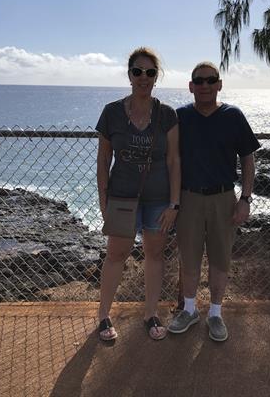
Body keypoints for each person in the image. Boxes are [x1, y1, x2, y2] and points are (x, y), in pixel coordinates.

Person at [168, 61, 260, 342]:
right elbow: (170, 159)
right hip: (188, 198)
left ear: (219, 84)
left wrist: (245, 199)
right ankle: (190, 310)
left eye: (211, 80)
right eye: (199, 81)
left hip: (223, 198)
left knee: (220, 259)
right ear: (191, 86)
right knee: (189, 259)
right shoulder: (180, 117)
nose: (205, 85)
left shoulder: (233, 116)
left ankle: (216, 314)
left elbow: (248, 159)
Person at [96, 47, 180, 341]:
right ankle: (103, 315)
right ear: (129, 75)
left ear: (157, 77)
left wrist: (174, 203)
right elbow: (103, 159)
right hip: (121, 197)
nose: (144, 77)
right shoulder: (112, 113)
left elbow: (174, 160)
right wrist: (103, 200)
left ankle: (151, 313)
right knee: (116, 255)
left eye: (150, 72)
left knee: (154, 255)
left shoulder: (167, 114)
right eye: (138, 71)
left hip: (158, 200)